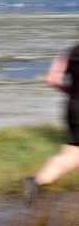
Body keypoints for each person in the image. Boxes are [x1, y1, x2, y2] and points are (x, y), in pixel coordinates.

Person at [25, 46, 79, 205]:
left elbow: (52, 79)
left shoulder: (71, 52)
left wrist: (72, 92)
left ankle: (36, 182)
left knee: (73, 153)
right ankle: (36, 182)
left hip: (73, 108)